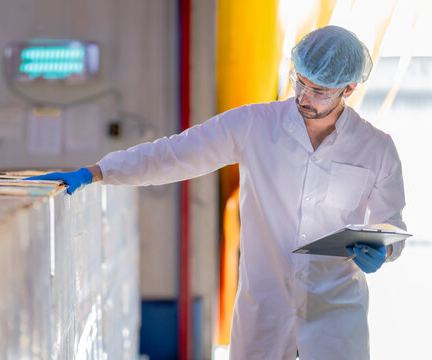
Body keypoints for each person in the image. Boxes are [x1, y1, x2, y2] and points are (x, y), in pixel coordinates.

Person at [25, 25, 406, 360]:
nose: (304, 96)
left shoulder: (376, 148)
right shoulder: (256, 125)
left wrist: (384, 250)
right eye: (299, 81)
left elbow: (392, 224)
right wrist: (97, 172)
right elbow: (174, 154)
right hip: (265, 309)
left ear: (350, 88)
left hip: (336, 313)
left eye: (319, 90)